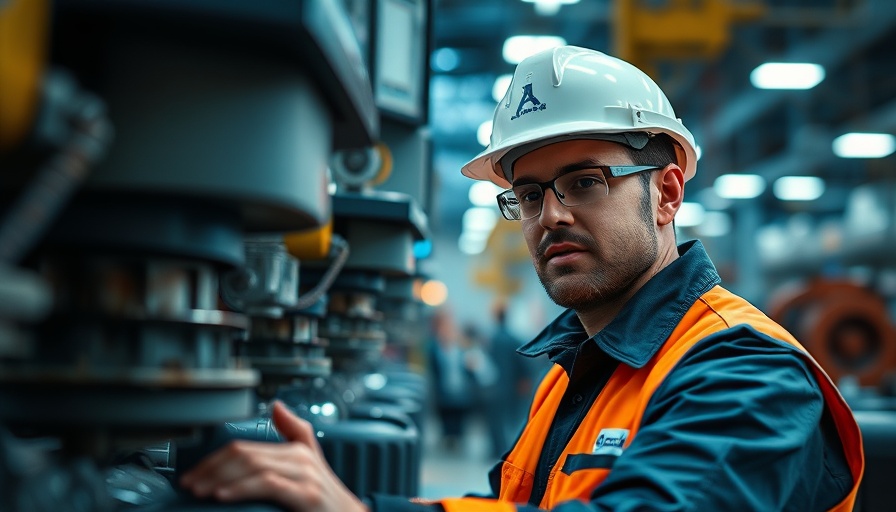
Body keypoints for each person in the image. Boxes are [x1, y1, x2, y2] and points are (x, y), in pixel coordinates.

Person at [180, 46, 864, 511]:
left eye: (584, 182)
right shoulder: (577, 373)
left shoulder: (747, 373)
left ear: (666, 193)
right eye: (530, 195)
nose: (550, 215)